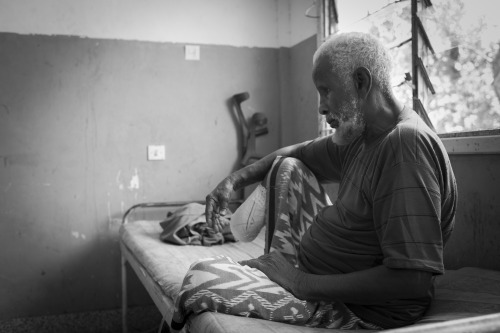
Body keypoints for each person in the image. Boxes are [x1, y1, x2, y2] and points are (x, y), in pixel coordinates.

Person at [177, 32, 457, 330]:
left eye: (326, 91)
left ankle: (285, 277)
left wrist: (300, 282)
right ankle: (278, 266)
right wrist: (233, 180)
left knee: (201, 277)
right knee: (288, 166)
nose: (321, 107)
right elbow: (297, 152)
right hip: (317, 278)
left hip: (364, 311)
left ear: (361, 82)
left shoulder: (405, 147)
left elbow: (411, 279)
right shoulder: (363, 137)